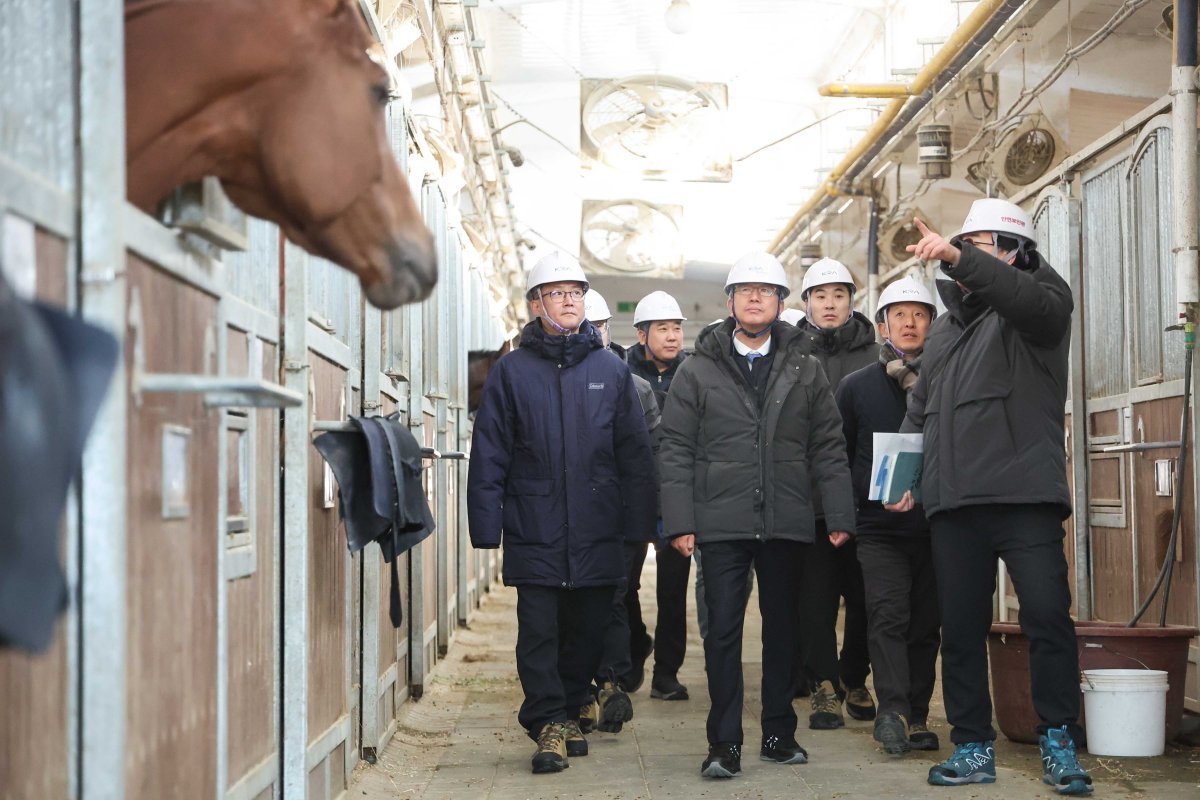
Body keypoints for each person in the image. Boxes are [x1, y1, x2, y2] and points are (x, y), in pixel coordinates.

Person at [895, 200, 1092, 795]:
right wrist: (903, 477)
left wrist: (958, 255)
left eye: (983, 244)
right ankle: (972, 746)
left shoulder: (1042, 303)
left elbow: (1021, 298)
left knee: (1047, 619)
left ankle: (1058, 740)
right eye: (965, 244)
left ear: (1014, 251)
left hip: (1024, 495)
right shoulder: (948, 327)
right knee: (959, 628)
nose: (969, 255)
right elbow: (919, 411)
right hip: (956, 502)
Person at [658, 252, 856, 779]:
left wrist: (839, 514)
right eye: (744, 289)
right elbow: (674, 447)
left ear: (781, 304)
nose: (753, 297)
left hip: (787, 519)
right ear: (729, 302)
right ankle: (723, 743)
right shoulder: (697, 370)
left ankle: (777, 733)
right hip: (720, 522)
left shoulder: (804, 368)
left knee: (783, 631)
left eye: (765, 290)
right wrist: (680, 521)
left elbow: (829, 446)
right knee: (722, 631)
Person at [467, 252, 657, 774]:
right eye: (558, 292)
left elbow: (634, 456)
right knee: (539, 632)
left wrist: (641, 526)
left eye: (576, 292)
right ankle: (547, 721)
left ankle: (573, 706)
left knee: (589, 630)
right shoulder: (510, 372)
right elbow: (491, 451)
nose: (570, 300)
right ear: (536, 304)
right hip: (535, 525)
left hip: (598, 528)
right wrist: (486, 524)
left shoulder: (610, 371)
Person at [834, 276, 941, 756]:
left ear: (933, 324)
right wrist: (872, 495)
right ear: (882, 325)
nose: (910, 323)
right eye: (899, 314)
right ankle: (892, 711)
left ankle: (918, 715)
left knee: (926, 624)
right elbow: (840, 455)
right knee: (887, 616)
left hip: (937, 526)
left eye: (919, 314)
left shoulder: (947, 382)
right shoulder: (856, 387)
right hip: (878, 528)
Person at [795, 258, 879, 728]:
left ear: (852, 301)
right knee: (816, 596)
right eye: (821, 296)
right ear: (805, 303)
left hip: (864, 498)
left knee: (864, 595)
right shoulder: (789, 354)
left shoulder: (876, 353)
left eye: (840, 295)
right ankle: (823, 684)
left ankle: (855, 677)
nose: (830, 304)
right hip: (809, 499)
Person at [577, 289, 661, 734]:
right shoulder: (556, 380)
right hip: (575, 514)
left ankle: (607, 682)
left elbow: (650, 456)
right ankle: (589, 685)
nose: (596, 334)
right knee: (582, 600)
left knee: (612, 596)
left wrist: (645, 519)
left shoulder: (637, 388)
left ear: (611, 330)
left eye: (602, 326)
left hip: (621, 516)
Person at [627, 290, 692, 702]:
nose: (672, 336)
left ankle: (666, 673)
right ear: (641, 334)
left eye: (677, 328)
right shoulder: (619, 374)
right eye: (662, 328)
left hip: (677, 496)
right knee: (623, 584)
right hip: (635, 495)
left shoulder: (695, 373)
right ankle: (635, 645)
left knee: (673, 590)